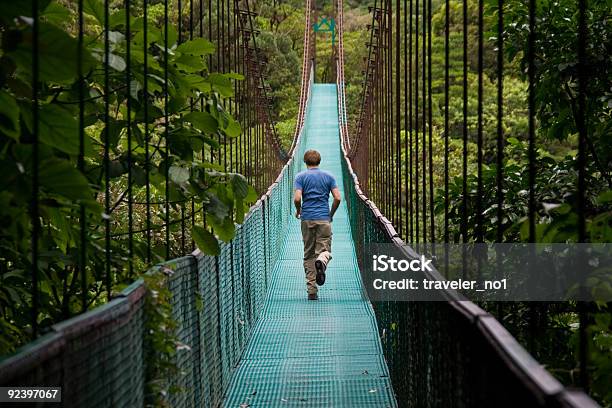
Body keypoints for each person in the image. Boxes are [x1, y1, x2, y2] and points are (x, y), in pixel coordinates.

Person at [293, 149, 342, 300]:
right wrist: (330, 214)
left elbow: (297, 198)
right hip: (323, 219)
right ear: (319, 161)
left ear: (305, 162)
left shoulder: (300, 177)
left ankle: (312, 291)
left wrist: (299, 210)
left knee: (308, 254)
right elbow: (338, 198)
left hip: (307, 218)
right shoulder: (329, 176)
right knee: (324, 251)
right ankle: (321, 260)